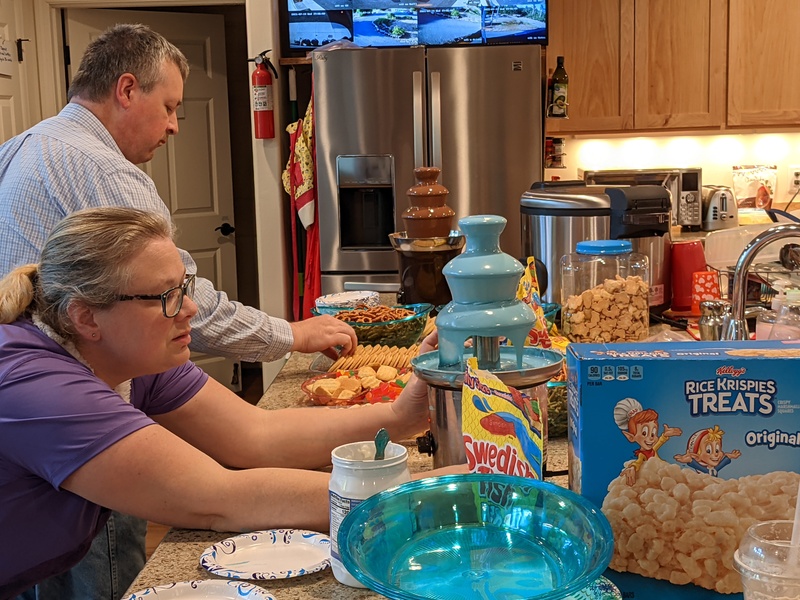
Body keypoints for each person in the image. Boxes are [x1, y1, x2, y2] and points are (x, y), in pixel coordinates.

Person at [0, 24, 356, 600]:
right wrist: (288, 333)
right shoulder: (105, 173)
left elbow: (254, 436)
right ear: (125, 89)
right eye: (168, 107)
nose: (172, 126)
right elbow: (221, 496)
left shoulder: (20, 146)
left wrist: (410, 417)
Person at [0, 207, 438, 599]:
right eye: (165, 296)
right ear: (85, 316)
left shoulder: (130, 354)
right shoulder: (37, 387)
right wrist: (430, 496)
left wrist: (401, 415)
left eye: (183, 287)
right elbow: (221, 498)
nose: (189, 307)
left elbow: (256, 436)